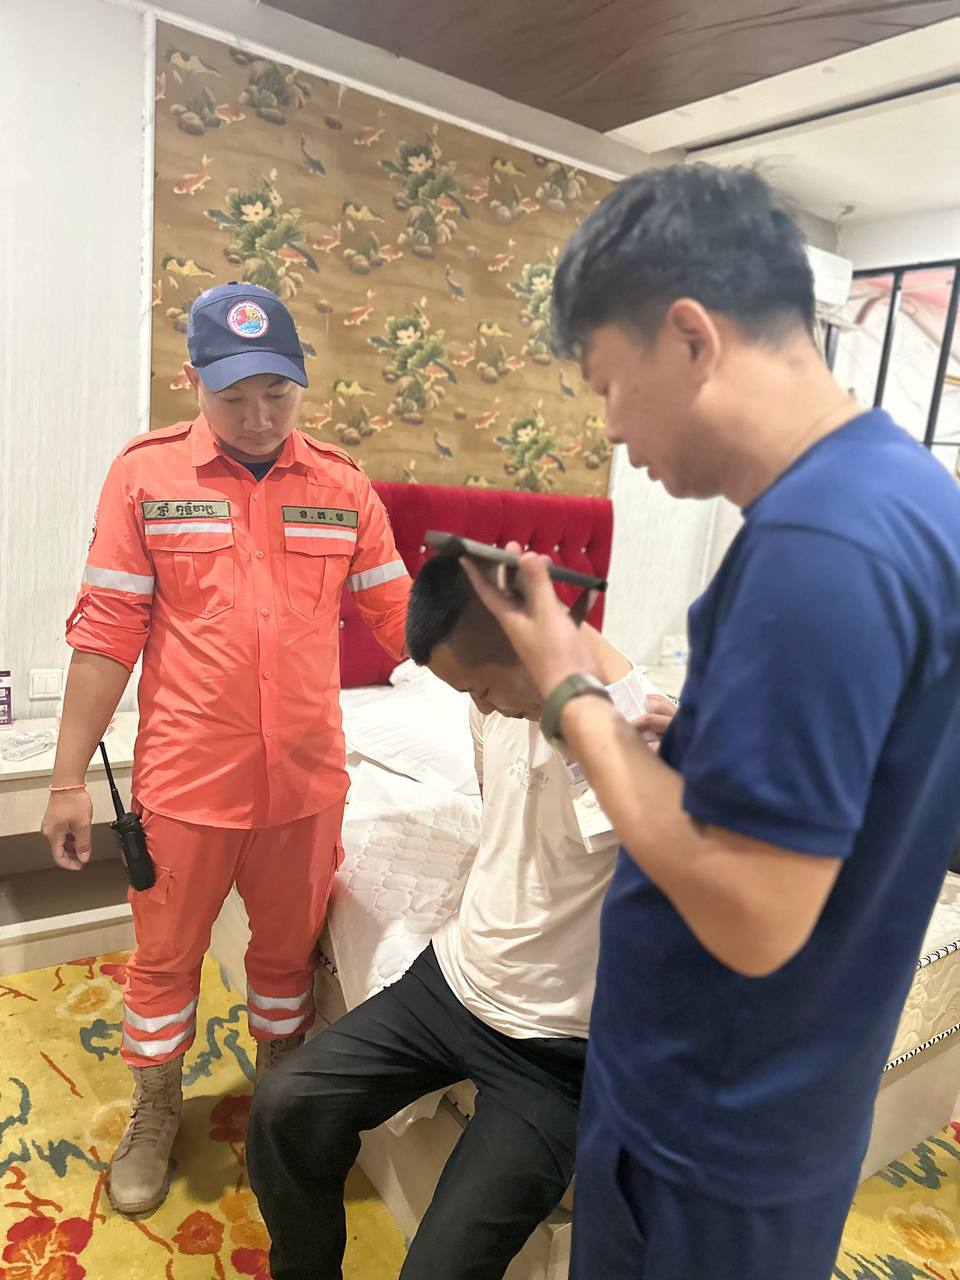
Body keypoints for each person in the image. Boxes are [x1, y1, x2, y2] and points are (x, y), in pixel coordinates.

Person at [463, 164, 960, 1280]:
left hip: (707, 1126)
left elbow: (752, 911)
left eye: (608, 385)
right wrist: (699, 736)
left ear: (691, 336)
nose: (611, 428)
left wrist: (568, 690)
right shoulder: (909, 493)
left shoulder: (818, 546)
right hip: (787, 1094)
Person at [41, 283, 410, 1217]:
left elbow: (402, 617)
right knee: (165, 960)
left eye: (277, 394)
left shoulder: (342, 486)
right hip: (187, 783)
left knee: (287, 962)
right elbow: (106, 632)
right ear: (194, 380)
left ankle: (280, 1099)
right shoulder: (146, 476)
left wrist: (514, 657)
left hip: (305, 786)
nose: (258, 417)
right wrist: (67, 778)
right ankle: (156, 1109)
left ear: (301, 382)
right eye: (234, 396)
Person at [246, 554, 675, 1280]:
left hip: (555, 1053)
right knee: (284, 1105)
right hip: (450, 983)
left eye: (480, 686)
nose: (482, 705)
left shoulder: (633, 729)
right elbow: (496, 792)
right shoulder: (496, 706)